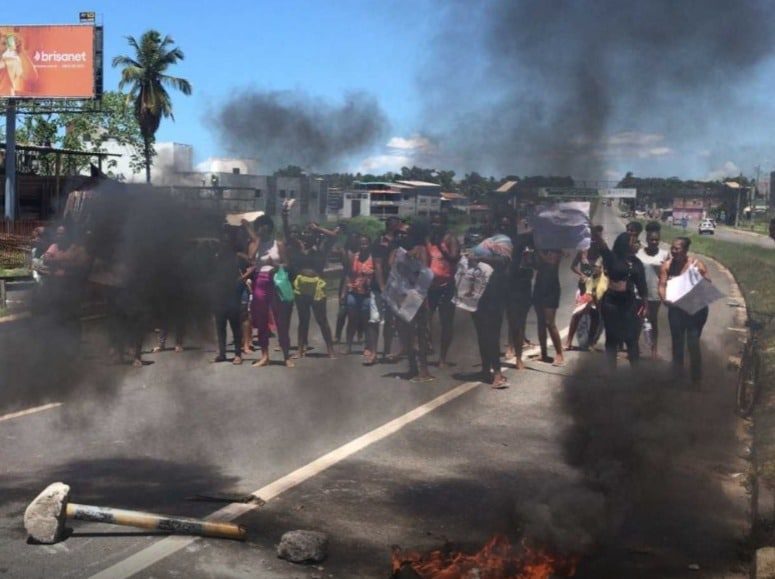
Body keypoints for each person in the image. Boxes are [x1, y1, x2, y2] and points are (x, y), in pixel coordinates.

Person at [658, 237, 710, 384]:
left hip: (695, 310)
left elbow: (708, 283)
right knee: (677, 342)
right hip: (676, 309)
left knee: (693, 342)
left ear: (685, 250)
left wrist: (697, 276)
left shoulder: (696, 264)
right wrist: (664, 298)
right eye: (672, 248)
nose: (673, 251)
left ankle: (696, 377)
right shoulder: (667, 266)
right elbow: (662, 285)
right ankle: (677, 374)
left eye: (677, 249)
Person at [244, 215, 293, 368]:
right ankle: (265, 355)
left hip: (276, 281)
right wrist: (257, 241)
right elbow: (250, 258)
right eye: (259, 226)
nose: (262, 228)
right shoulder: (254, 245)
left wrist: (277, 266)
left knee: (281, 322)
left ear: (269, 227)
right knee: (262, 321)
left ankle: (286, 356)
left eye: (264, 225)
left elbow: (287, 264)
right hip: (260, 281)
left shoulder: (278, 244)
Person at [391, 221, 434, 382]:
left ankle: (421, 369)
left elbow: (423, 271)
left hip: (414, 295)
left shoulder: (420, 250)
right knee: (411, 333)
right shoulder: (412, 250)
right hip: (411, 294)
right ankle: (416, 368)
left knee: (416, 334)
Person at [469, 226, 512, 386]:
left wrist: (480, 259)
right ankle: (485, 369)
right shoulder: (479, 241)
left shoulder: (503, 240)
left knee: (492, 335)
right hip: (479, 293)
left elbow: (504, 261)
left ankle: (498, 374)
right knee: (481, 334)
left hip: (495, 292)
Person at [599, 232, 648, 370]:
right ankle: (610, 373)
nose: (637, 244)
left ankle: (636, 372)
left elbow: (642, 285)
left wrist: (645, 304)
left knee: (631, 338)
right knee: (612, 339)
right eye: (634, 241)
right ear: (625, 244)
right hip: (611, 303)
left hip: (629, 304)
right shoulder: (612, 258)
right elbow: (601, 244)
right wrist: (592, 228)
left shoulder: (637, 263)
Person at [292, 222, 338, 358]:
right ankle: (300, 349)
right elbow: (288, 234)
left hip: (316, 284)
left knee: (322, 319)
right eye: (306, 232)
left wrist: (318, 229)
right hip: (301, 283)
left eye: (310, 233)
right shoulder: (298, 247)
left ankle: (330, 349)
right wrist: (285, 215)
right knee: (303, 319)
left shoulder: (321, 248)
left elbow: (334, 236)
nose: (307, 235)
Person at [426, 213, 460, 368]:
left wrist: (442, 248)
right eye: (433, 222)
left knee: (446, 322)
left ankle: (443, 358)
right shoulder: (428, 239)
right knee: (425, 319)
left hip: (447, 286)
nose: (435, 225)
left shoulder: (450, 239)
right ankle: (428, 346)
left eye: (438, 222)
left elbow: (455, 257)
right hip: (429, 286)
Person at [566, 225, 604, 351]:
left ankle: (591, 343)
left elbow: (605, 270)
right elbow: (573, 266)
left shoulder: (602, 252)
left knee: (595, 315)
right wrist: (581, 274)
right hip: (583, 287)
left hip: (596, 287)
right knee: (577, 314)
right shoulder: (582, 251)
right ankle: (568, 341)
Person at [503, 214, 534, 370]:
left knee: (520, 321)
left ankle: (519, 357)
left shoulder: (532, 246)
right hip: (512, 285)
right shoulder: (512, 244)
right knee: (512, 319)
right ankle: (510, 346)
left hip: (525, 285)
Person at [372, 216, 403, 361]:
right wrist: (382, 285)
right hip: (383, 284)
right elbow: (377, 264)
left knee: (392, 321)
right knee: (376, 319)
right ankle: (375, 350)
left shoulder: (401, 241)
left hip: (398, 285)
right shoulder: (381, 241)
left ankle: (388, 350)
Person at [636, 221, 669, 358]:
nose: (654, 242)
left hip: (655, 293)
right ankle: (635, 348)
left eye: (656, 239)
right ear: (647, 240)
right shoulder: (639, 253)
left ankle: (653, 350)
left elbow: (669, 273)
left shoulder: (665, 254)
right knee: (638, 321)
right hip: (638, 293)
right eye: (651, 239)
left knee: (652, 321)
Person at [211, 228, 243, 364]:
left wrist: (241, 279)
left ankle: (238, 354)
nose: (223, 243)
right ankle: (222, 353)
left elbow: (251, 267)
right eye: (222, 241)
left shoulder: (237, 257)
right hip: (219, 296)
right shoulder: (215, 257)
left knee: (235, 326)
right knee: (220, 327)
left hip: (233, 295)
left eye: (226, 241)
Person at [345, 234, 376, 358]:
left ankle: (368, 347)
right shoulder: (354, 257)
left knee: (366, 321)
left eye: (366, 243)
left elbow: (378, 273)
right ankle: (348, 345)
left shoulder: (373, 258)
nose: (363, 246)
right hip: (354, 292)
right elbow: (347, 272)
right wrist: (347, 286)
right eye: (361, 244)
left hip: (367, 294)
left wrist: (370, 274)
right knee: (352, 320)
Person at [533, 248, 565, 366]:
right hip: (539, 286)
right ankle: (544, 353)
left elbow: (551, 262)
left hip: (551, 288)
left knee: (549, 323)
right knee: (541, 322)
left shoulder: (555, 248)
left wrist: (538, 250)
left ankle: (559, 354)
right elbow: (536, 266)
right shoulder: (540, 247)